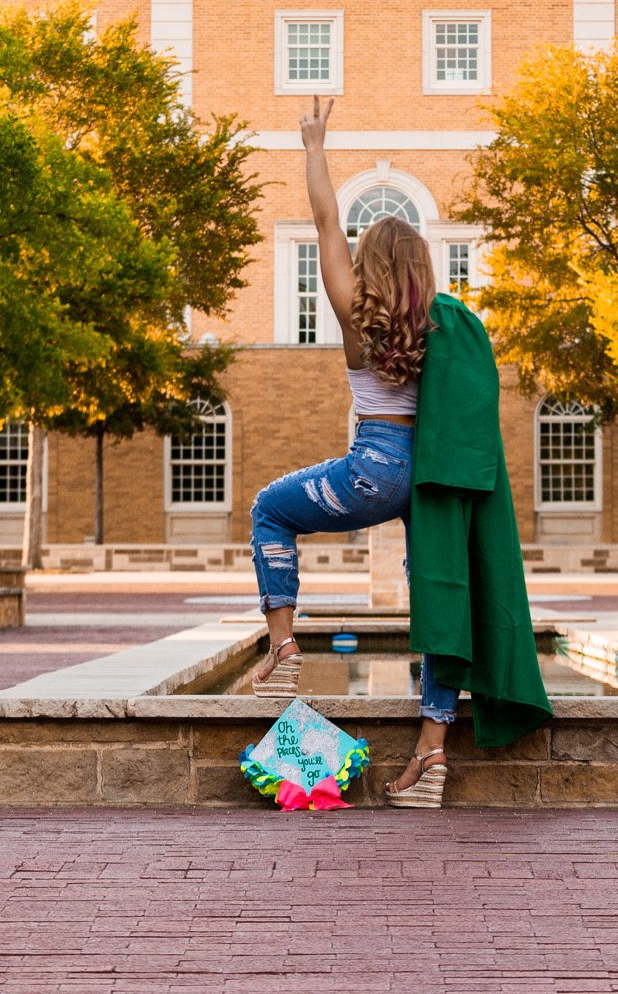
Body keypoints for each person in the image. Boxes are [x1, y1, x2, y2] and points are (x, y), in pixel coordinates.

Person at [247, 95, 458, 805]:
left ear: (368, 265)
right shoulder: (440, 329)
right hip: (426, 483)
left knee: (270, 511)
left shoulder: (354, 315)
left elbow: (325, 221)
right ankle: (431, 756)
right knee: (436, 606)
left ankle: (283, 644)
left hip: (370, 472)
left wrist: (313, 145)